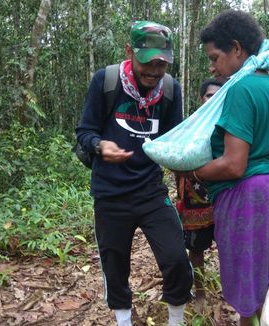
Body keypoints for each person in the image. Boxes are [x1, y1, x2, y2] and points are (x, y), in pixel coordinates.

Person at [75, 21, 193, 326]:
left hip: (151, 191)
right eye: (147, 62)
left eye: (161, 64)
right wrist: (101, 146)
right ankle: (124, 321)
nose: (154, 72)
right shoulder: (107, 81)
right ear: (129, 51)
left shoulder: (170, 90)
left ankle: (176, 320)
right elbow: (84, 131)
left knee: (177, 258)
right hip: (110, 193)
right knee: (114, 264)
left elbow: (172, 140)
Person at [180, 10, 269, 326]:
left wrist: (195, 173)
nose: (212, 66)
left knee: (246, 288)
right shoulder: (268, 84)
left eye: (215, 57)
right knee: (263, 282)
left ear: (237, 49)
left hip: (249, 197)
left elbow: (233, 165)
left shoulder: (240, 89)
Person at [176, 78, 223, 312]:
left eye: (217, 95)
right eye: (208, 96)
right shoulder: (190, 125)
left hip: (225, 196)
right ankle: (201, 294)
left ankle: (232, 291)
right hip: (195, 200)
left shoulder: (230, 123)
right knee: (196, 250)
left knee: (231, 246)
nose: (212, 100)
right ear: (201, 98)